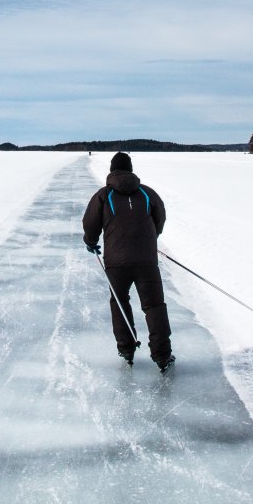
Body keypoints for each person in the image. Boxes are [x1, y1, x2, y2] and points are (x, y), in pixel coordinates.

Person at [82, 152, 175, 372]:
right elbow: (159, 219)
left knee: (119, 302)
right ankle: (162, 355)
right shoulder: (147, 193)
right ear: (130, 169)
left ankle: (126, 348)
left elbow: (90, 222)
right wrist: (151, 238)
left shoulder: (104, 195)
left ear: (112, 171)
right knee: (154, 306)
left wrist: (90, 241)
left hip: (116, 262)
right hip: (146, 261)